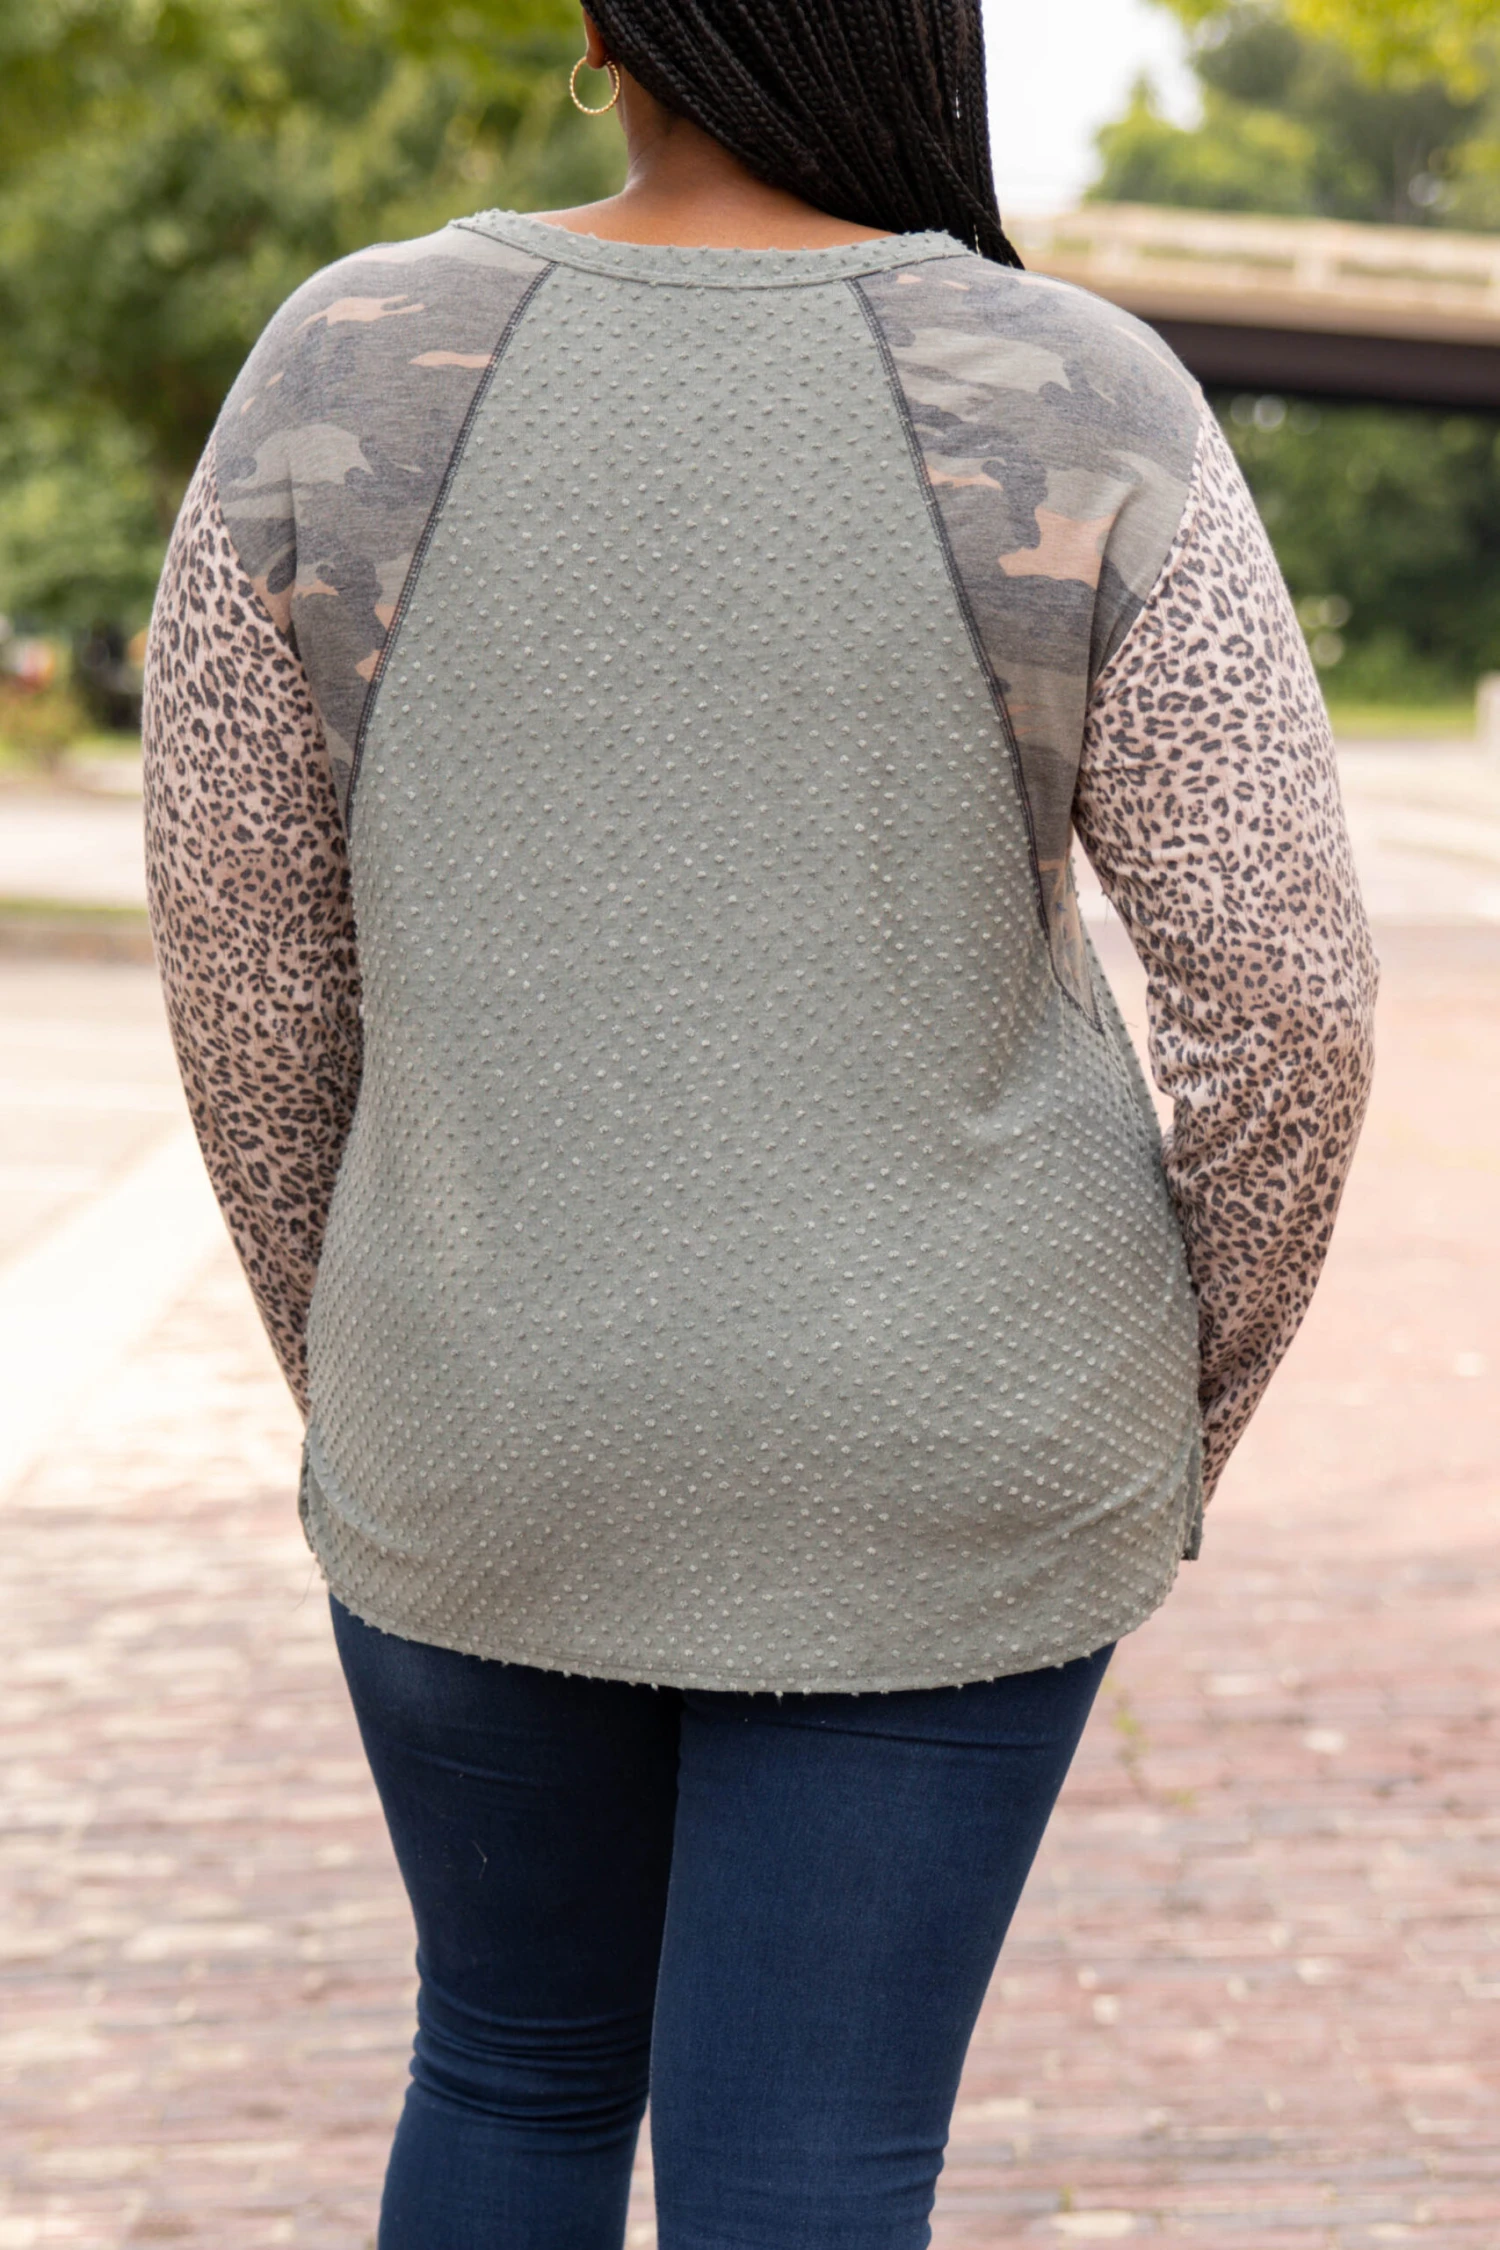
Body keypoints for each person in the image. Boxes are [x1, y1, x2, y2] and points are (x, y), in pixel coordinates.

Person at [142, 3, 1377, 2243]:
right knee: (811, 2152)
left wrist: (379, 1359)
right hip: (957, 1441)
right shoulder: (1086, 395)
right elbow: (1283, 990)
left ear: (604, 31)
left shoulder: (341, 364)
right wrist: (1170, 1404)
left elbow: (244, 958)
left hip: (489, 1418)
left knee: (505, 2073)